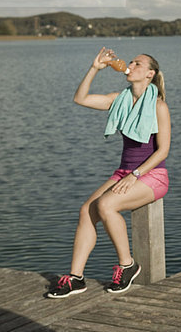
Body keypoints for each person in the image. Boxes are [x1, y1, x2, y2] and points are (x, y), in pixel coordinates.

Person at [47, 47, 171, 298]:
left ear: (150, 74)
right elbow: (80, 99)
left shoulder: (158, 106)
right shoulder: (120, 99)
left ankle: (128, 265)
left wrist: (134, 175)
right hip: (124, 172)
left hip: (152, 175)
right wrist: (95, 67)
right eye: (132, 62)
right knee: (87, 210)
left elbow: (163, 151)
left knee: (106, 205)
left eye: (138, 64)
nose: (131, 65)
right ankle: (75, 278)